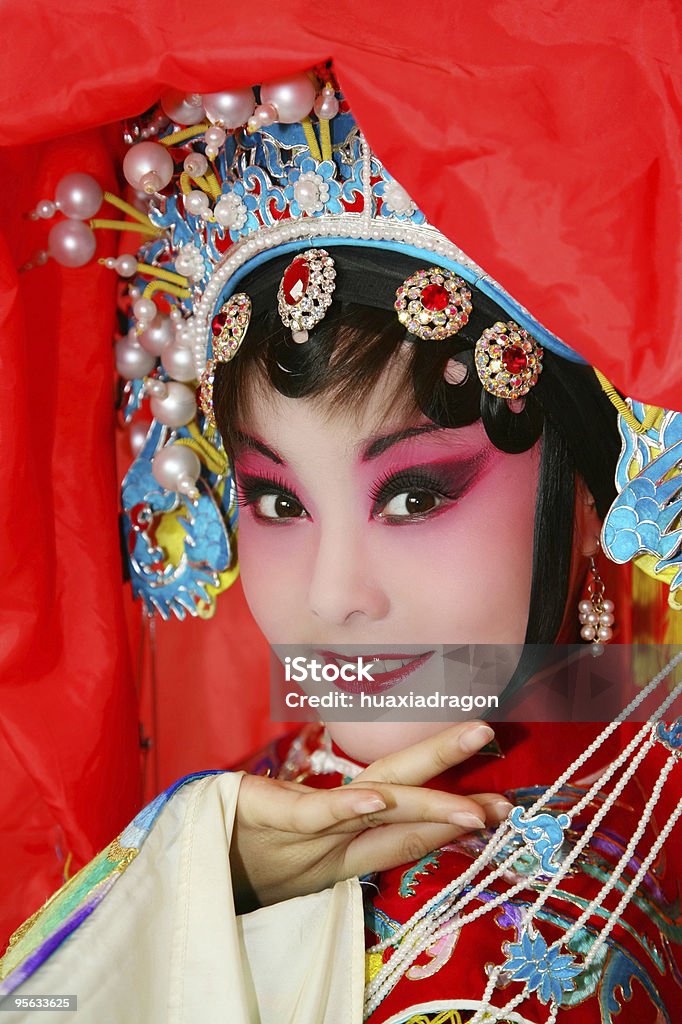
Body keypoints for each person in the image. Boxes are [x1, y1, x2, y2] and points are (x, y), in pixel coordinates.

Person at [1, 67, 681, 1024]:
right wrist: (214, 885)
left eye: (411, 497)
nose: (332, 597)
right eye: (278, 502)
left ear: (588, 490)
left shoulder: (643, 842)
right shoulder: (234, 821)